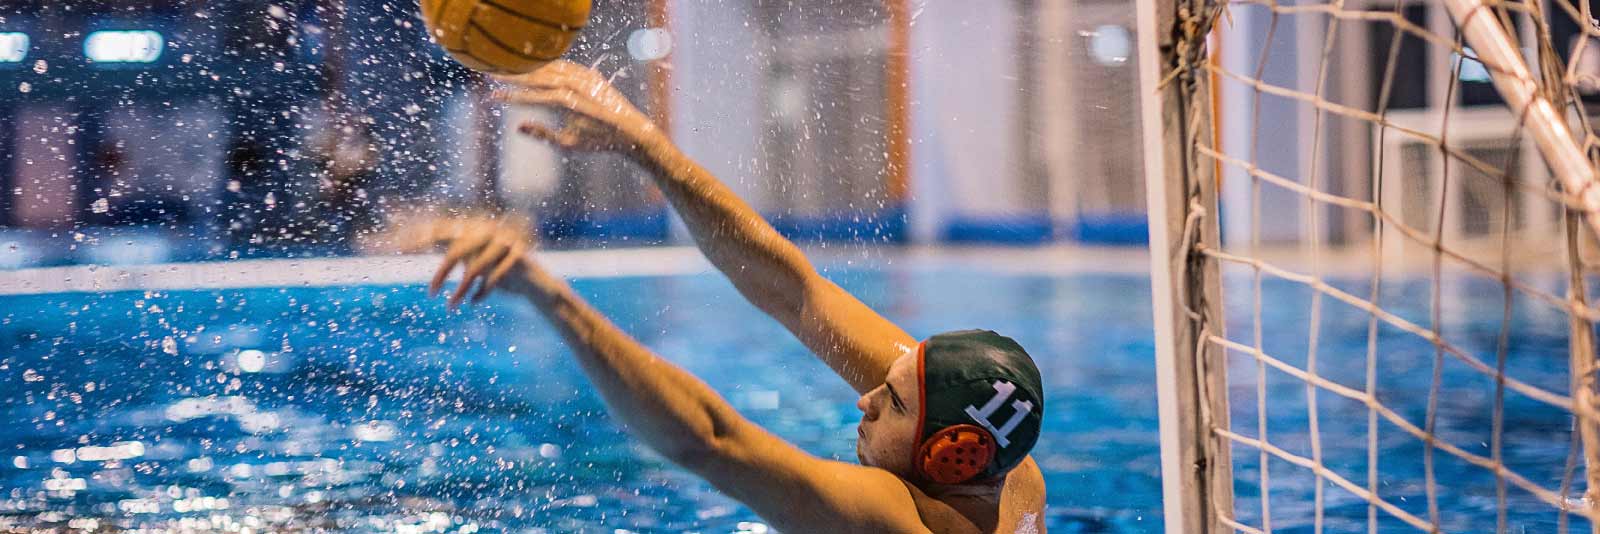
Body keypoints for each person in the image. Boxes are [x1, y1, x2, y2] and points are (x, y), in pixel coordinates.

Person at [405, 60, 1047, 533]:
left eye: (894, 400)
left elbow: (710, 442)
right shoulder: (1014, 474)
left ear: (952, 455)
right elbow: (797, 293)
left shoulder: (893, 521)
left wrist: (548, 295)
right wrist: (648, 146)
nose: (866, 396)